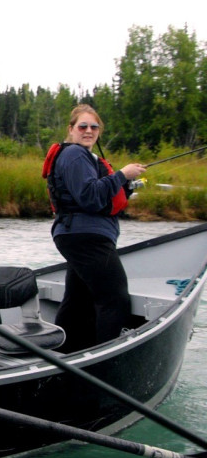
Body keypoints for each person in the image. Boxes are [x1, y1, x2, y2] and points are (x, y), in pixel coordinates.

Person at [46, 104, 146, 353]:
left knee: (77, 300)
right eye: (83, 126)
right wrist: (122, 174)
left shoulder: (81, 157)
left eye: (94, 127)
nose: (88, 131)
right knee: (114, 299)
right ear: (71, 129)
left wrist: (123, 186)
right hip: (85, 237)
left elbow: (93, 195)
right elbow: (89, 196)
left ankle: (65, 355)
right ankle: (105, 360)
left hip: (76, 235)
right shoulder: (75, 155)